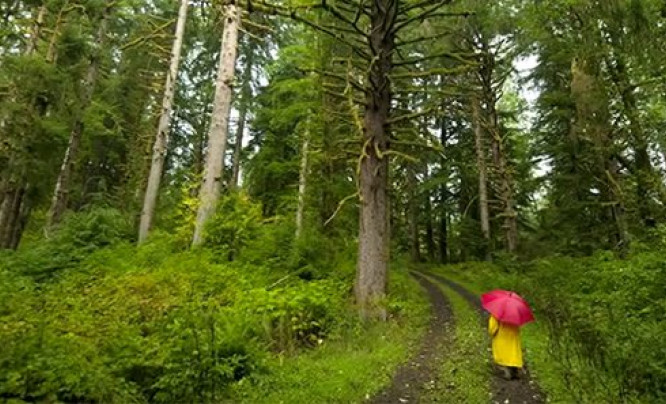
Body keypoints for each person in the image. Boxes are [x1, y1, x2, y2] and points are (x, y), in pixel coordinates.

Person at [488, 314, 522, 380]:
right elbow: (518, 327)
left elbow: (493, 327)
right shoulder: (515, 314)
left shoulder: (496, 314)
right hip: (513, 336)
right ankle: (515, 371)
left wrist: (492, 333)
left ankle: (507, 371)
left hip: (502, 337)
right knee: (513, 353)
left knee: (504, 355)